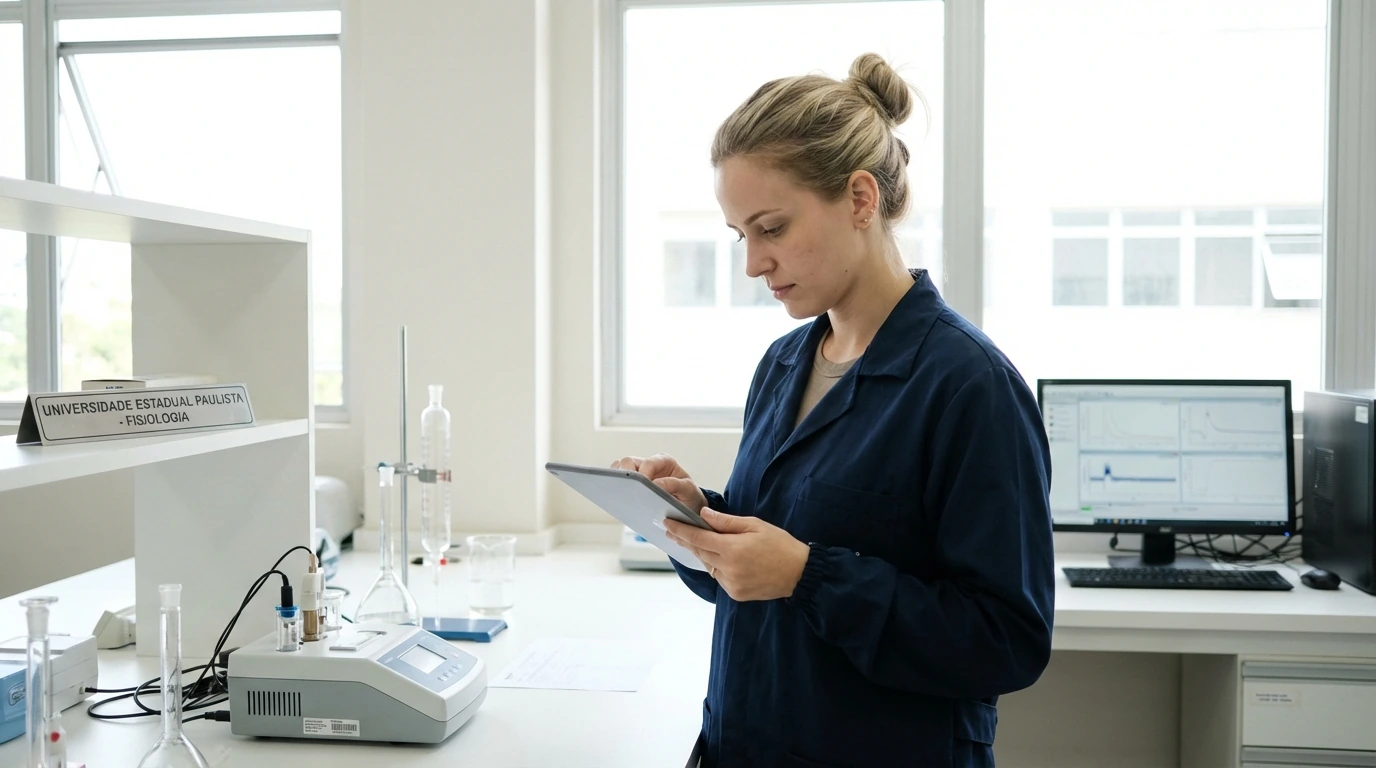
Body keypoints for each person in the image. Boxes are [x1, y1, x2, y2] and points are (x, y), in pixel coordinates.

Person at [612, 53, 1055, 768]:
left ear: (859, 199)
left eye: (772, 228)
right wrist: (696, 521)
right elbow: (769, 569)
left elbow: (1006, 641)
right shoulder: (783, 365)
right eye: (742, 236)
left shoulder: (970, 387)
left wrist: (808, 575)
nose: (753, 263)